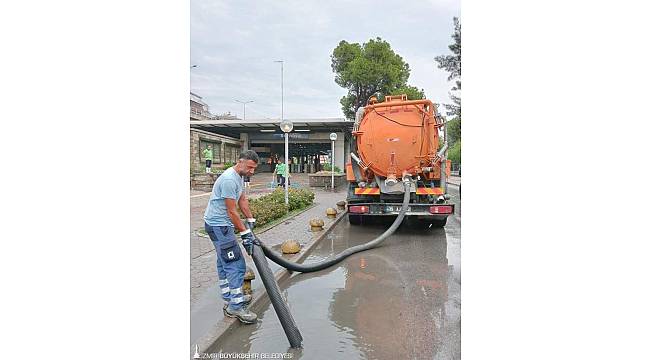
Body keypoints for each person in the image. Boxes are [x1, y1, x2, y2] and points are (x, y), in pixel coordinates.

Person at [203, 150, 260, 324]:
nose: (251, 171)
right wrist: (244, 233)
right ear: (240, 162)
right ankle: (235, 307)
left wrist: (250, 219)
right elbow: (231, 210)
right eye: (250, 167)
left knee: (223, 261)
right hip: (219, 226)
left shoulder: (239, 177)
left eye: (254, 169)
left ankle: (229, 296)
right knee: (235, 263)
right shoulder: (229, 179)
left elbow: (241, 200)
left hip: (219, 224)